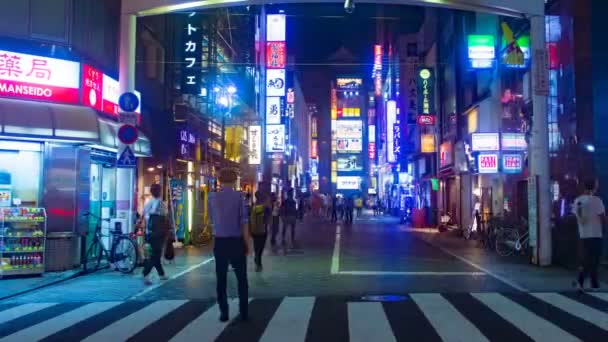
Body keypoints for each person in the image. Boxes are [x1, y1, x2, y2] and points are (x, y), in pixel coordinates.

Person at [208, 168, 251, 322]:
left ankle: (224, 312)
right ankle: (244, 312)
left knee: (221, 279)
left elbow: (212, 221)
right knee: (242, 279)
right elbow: (244, 222)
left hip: (220, 242)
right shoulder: (240, 198)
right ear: (234, 181)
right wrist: (247, 244)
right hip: (236, 241)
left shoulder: (211, 197)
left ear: (219, 181)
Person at [572, 179, 605, 291]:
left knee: (585, 260)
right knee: (595, 260)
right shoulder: (597, 200)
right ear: (594, 187)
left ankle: (580, 282)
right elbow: (602, 218)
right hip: (596, 234)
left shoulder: (577, 200)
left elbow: (577, 216)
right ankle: (594, 283)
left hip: (583, 235)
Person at [142, 184, 170, 285]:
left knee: (154, 253)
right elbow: (165, 216)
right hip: (158, 233)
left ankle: (161, 274)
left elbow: (143, 215)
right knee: (155, 254)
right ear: (159, 191)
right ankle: (145, 273)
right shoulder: (160, 203)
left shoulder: (148, 203)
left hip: (149, 232)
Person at [250, 193, 267, 272]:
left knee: (257, 247)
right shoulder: (261, 207)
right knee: (260, 248)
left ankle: (258, 261)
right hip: (261, 230)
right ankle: (258, 262)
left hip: (256, 230)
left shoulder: (253, 206)